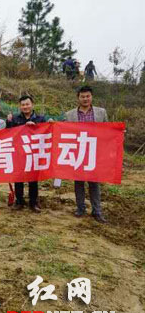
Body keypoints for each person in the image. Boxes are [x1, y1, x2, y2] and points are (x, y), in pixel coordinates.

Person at [65, 85, 108, 223]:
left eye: (87, 96)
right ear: (78, 98)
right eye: (82, 96)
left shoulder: (101, 113)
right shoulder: (70, 114)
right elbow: (64, 132)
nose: (85, 99)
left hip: (95, 153)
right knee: (78, 182)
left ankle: (97, 211)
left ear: (91, 97)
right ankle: (80, 208)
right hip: (78, 153)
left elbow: (108, 131)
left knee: (94, 183)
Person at [7, 95, 47, 213]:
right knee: (18, 178)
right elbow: (9, 133)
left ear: (32, 105)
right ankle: (19, 201)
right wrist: (8, 121)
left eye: (27, 104)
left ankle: (33, 202)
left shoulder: (40, 119)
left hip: (33, 153)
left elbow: (45, 134)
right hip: (19, 152)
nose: (25, 107)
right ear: (20, 106)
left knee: (33, 179)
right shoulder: (15, 119)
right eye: (23, 105)